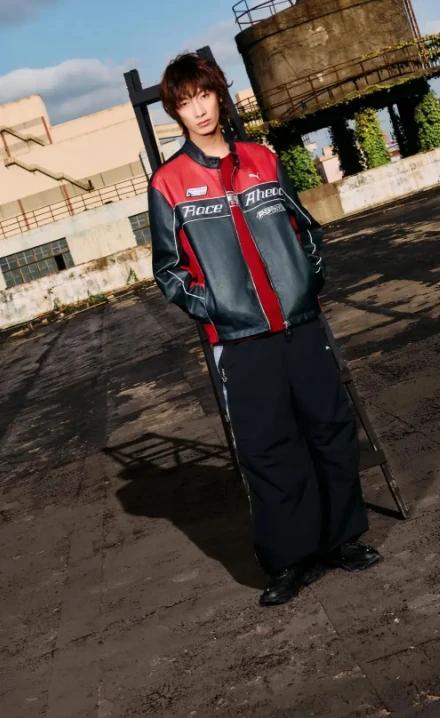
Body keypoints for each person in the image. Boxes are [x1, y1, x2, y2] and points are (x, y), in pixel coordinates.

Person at [148, 52, 381, 607]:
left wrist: (306, 282)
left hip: (301, 325)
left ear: (219, 95)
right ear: (175, 112)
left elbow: (308, 229)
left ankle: (343, 539)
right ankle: (292, 559)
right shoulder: (169, 182)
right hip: (240, 342)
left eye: (205, 95)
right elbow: (168, 270)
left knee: (330, 429)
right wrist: (217, 309)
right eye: (186, 103)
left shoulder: (262, 160)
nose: (199, 110)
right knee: (268, 449)